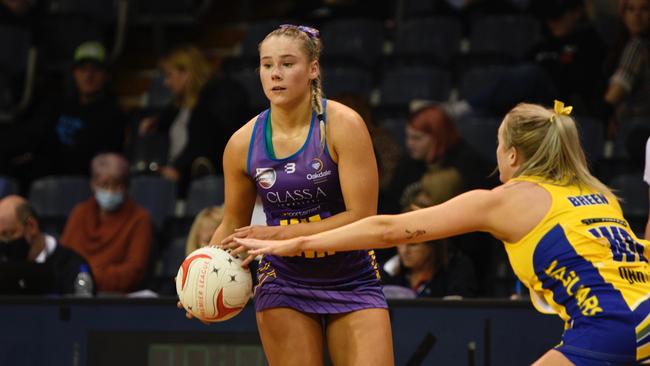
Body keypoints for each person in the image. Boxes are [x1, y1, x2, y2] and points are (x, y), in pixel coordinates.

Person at [234, 100, 650, 365]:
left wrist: (296, 240)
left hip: (609, 327)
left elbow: (390, 229)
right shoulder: (598, 195)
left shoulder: (507, 198)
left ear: (511, 154)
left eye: (498, 146)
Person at [187, 24, 394, 365]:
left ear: (313, 69)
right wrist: (200, 274)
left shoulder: (344, 125)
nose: (275, 74)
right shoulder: (242, 143)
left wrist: (278, 235)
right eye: (267, 65)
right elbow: (233, 224)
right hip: (284, 280)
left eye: (287, 63)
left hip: (351, 276)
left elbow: (362, 218)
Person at [137, 45, 248, 195]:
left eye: (169, 75)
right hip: (180, 180)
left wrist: (178, 170)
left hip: (202, 183)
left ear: (186, 73)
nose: (166, 83)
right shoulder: (183, 104)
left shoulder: (213, 101)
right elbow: (171, 114)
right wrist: (156, 121)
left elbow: (203, 141)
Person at [61, 153, 152, 294]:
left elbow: (133, 271)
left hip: (117, 300)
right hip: (75, 294)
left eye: (116, 185)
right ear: (93, 185)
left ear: (126, 187)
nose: (110, 191)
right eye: (104, 185)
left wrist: (87, 276)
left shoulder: (139, 218)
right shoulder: (80, 213)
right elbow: (63, 261)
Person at [0, 195, 92, 295]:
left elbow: (82, 308)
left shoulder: (72, 267)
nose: (4, 242)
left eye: (8, 234)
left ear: (31, 226)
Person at [604, 0, 650, 135]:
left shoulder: (637, 46)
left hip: (637, 129)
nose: (637, 15)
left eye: (645, 9)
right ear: (623, 14)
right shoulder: (623, 44)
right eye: (631, 9)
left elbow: (615, 94)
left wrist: (603, 115)